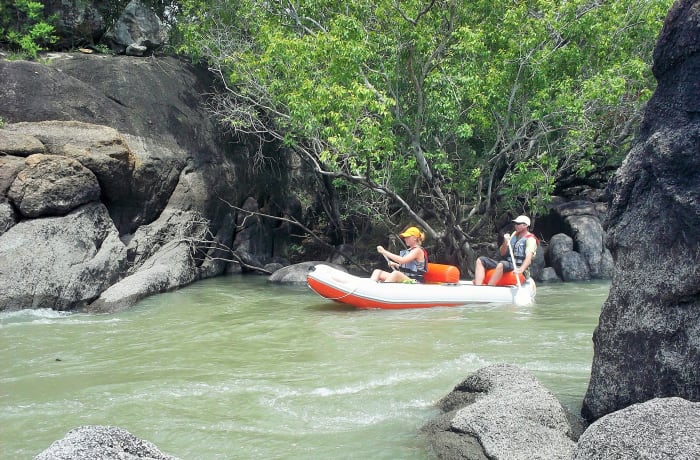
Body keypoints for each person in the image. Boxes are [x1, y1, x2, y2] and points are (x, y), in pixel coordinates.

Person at [473, 215, 537, 286]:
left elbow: (528, 259)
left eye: (518, 224)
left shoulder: (531, 239)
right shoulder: (513, 235)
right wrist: (505, 242)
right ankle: (478, 286)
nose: (516, 225)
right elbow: (502, 253)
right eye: (515, 224)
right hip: (508, 264)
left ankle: (490, 287)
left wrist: (521, 269)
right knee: (481, 260)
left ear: (525, 225)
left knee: (501, 264)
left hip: (518, 267)